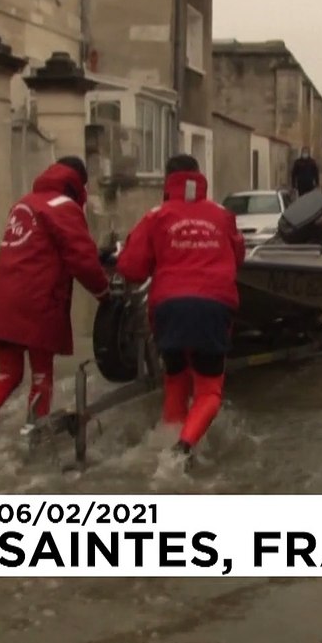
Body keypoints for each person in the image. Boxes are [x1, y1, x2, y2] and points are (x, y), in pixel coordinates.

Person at [0, 157, 111, 440]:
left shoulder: (24, 203)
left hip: (0, 301)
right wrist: (103, 293)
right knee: (41, 374)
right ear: (78, 185)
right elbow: (82, 260)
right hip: (38, 302)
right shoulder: (64, 206)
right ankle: (34, 432)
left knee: (7, 372)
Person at [116, 154, 245, 457]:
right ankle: (182, 449)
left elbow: (131, 268)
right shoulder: (222, 215)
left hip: (168, 309)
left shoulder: (156, 216)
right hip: (213, 307)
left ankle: (168, 441)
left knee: (175, 380)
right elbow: (239, 256)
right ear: (198, 177)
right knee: (209, 391)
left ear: (167, 181)